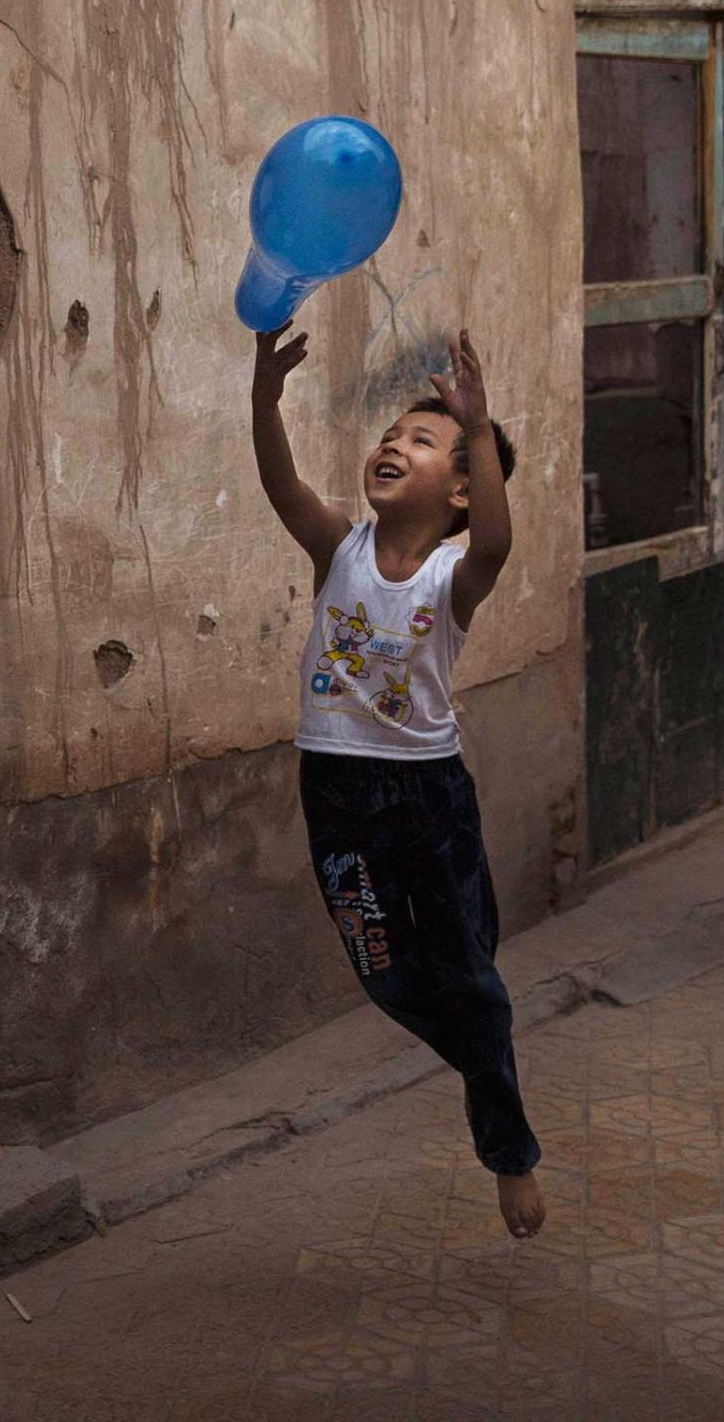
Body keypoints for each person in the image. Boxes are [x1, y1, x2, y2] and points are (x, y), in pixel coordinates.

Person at [250, 322, 544, 1239]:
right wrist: (264, 397)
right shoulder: (337, 548)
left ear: (459, 488)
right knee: (383, 969)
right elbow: (280, 483)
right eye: (391, 435)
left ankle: (508, 1150)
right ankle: (479, 1051)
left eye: (421, 441)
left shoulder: (459, 568)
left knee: (469, 969)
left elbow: (497, 536)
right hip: (337, 789)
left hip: (429, 795)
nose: (392, 444)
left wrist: (481, 423)